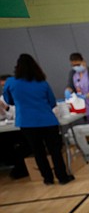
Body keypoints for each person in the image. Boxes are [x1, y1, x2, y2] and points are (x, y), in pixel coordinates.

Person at [3, 54, 74, 185]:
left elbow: (8, 101)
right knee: (54, 151)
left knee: (38, 152)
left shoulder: (11, 82)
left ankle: (47, 178)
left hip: (26, 122)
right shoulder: (42, 82)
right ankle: (62, 177)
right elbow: (52, 102)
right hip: (47, 120)